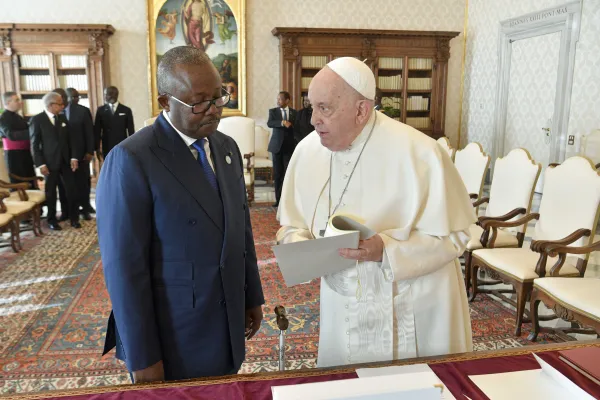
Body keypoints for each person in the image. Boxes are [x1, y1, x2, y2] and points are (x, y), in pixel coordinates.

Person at [276, 57, 476, 368]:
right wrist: (302, 248)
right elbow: (292, 224)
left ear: (361, 110)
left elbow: (457, 234)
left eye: (324, 108)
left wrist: (387, 249)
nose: (313, 119)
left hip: (412, 300)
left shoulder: (420, 152)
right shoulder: (307, 151)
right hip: (344, 301)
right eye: (311, 106)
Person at [96, 45, 265, 383]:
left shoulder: (226, 147)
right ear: (165, 102)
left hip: (226, 319)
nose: (214, 110)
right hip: (174, 333)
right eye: (200, 101)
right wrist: (143, 357)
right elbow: (124, 270)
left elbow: (240, 230)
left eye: (220, 97)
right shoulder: (132, 159)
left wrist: (251, 295)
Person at [30, 92, 81, 230]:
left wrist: (74, 157)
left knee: (71, 190)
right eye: (60, 103)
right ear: (51, 105)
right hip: (49, 164)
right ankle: (52, 220)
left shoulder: (63, 118)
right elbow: (34, 145)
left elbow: (72, 140)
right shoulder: (37, 120)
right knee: (51, 192)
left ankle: (74, 218)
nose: (63, 105)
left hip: (66, 162)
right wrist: (40, 164)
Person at [64, 88, 95, 218]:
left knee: (83, 182)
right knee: (68, 184)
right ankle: (69, 211)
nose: (75, 99)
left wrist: (90, 151)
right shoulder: (58, 111)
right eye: (72, 97)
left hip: (82, 153)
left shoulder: (83, 110)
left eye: (77, 97)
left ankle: (85, 207)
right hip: (64, 154)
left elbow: (89, 132)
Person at [267, 91, 296, 207]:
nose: (278, 101)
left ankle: (287, 200)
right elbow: (270, 123)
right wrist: (283, 122)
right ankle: (278, 200)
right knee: (278, 175)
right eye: (277, 99)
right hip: (276, 148)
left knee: (288, 174)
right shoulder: (273, 111)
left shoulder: (295, 113)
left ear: (287, 100)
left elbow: (297, 127)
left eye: (280, 99)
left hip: (289, 148)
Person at [0, 92, 36, 185]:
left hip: (25, 153)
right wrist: (33, 132)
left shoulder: (18, 116)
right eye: (16, 100)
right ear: (8, 103)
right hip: (14, 156)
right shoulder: (3, 118)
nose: (20, 102)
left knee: (30, 180)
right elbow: (11, 135)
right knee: (19, 182)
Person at [93, 86, 135, 159]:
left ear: (115, 95)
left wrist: (132, 146)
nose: (105, 97)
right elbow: (97, 131)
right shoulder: (101, 110)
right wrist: (97, 148)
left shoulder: (126, 110)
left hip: (122, 145)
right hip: (107, 145)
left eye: (106, 94)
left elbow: (131, 131)